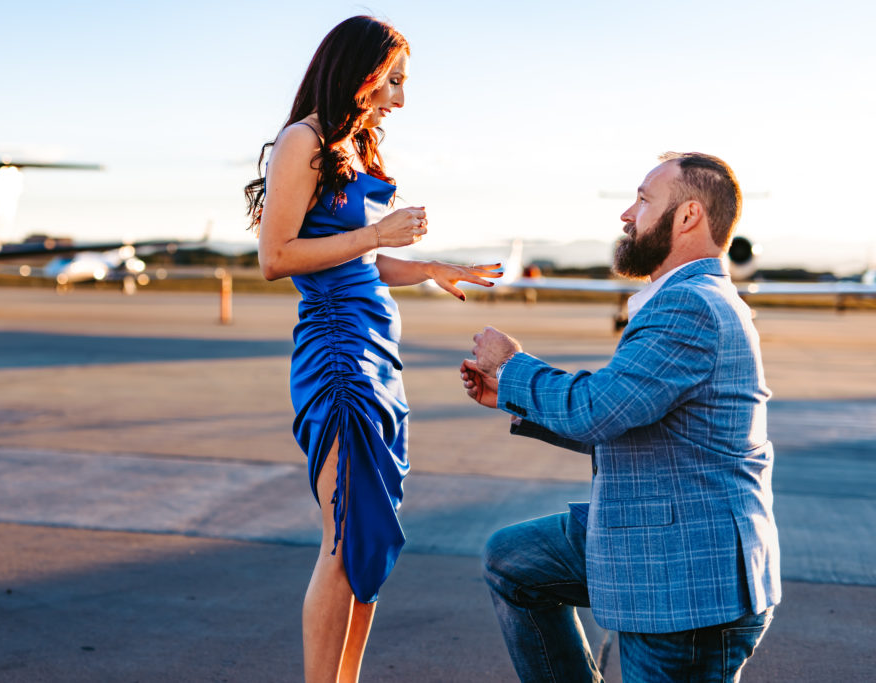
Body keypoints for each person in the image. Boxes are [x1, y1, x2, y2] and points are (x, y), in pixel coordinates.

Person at [245, 16, 500, 682]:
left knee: (369, 536)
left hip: (374, 350)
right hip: (336, 353)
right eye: (393, 80)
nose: (400, 98)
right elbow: (277, 257)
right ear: (358, 71)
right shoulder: (301, 141)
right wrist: (379, 231)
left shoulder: (349, 146)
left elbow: (361, 263)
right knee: (343, 537)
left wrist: (429, 267)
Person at [460, 152, 780, 682]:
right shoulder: (684, 298)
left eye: (643, 199)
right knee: (512, 560)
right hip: (660, 536)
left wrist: (513, 366)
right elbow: (627, 415)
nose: (627, 215)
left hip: (689, 584)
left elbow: (597, 410)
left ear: (687, 217)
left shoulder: (690, 305)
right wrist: (513, 398)